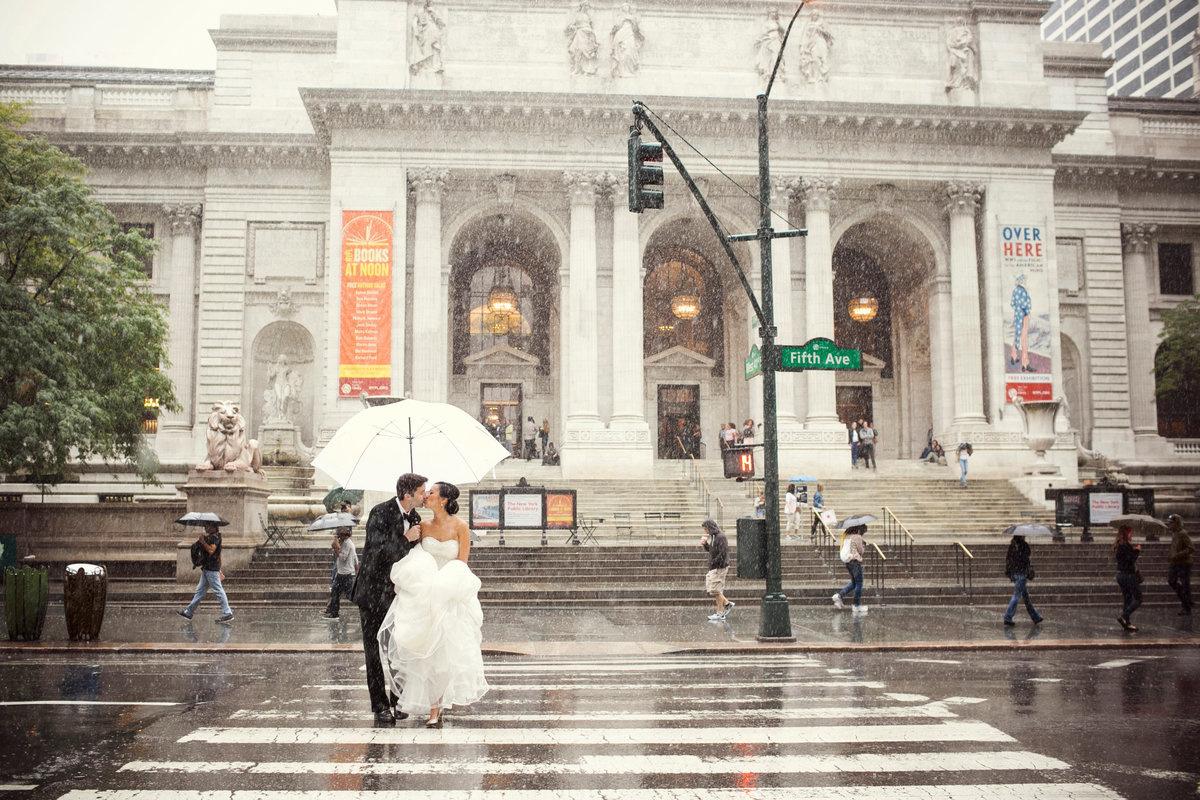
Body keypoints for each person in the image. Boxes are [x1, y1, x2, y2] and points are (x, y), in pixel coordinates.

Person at [378, 482, 489, 727]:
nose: (426, 495)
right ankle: (433, 707)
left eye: (432, 492)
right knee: (426, 654)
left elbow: (462, 563)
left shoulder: (461, 527)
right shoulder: (422, 526)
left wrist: (446, 585)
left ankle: (438, 706)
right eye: (425, 492)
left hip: (450, 594)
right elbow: (414, 558)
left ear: (444, 500)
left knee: (444, 655)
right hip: (425, 594)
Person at [354, 472, 426, 726]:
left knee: (397, 648)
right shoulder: (380, 512)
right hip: (373, 592)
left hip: (398, 594)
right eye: (421, 491)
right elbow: (376, 550)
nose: (424, 495)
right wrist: (405, 539)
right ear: (408, 494)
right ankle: (380, 705)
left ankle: (398, 700)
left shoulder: (415, 517)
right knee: (374, 652)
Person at [178, 522, 234, 624]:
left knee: (218, 590)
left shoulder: (215, 538)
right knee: (200, 591)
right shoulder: (212, 537)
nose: (205, 528)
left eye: (207, 526)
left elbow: (212, 551)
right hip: (208, 568)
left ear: (213, 527)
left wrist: (203, 542)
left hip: (211, 569)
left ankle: (227, 613)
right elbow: (218, 554)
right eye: (205, 526)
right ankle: (189, 612)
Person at [1002, 534, 1043, 626]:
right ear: (1021, 536)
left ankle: (1035, 617)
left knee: (1026, 597)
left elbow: (1008, 560)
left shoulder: (1012, 546)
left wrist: (1009, 573)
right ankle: (1007, 617)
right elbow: (1026, 559)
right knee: (1016, 596)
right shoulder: (1023, 546)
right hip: (1021, 574)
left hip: (1015, 573)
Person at [322, 527, 358, 620]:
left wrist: (336, 548)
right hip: (343, 572)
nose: (338, 537)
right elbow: (355, 558)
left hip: (345, 574)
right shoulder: (346, 543)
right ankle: (334, 613)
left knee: (349, 595)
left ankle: (363, 604)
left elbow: (343, 558)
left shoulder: (347, 544)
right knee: (335, 592)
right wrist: (337, 546)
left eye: (340, 535)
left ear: (344, 535)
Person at [831, 523, 868, 615]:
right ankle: (856, 605)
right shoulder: (857, 537)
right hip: (855, 562)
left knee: (854, 583)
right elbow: (860, 551)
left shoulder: (847, 536)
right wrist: (864, 545)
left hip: (848, 562)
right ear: (860, 530)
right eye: (863, 531)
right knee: (859, 583)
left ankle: (839, 595)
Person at [701, 520, 733, 621]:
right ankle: (725, 606)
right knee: (715, 590)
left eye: (706, 529)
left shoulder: (720, 537)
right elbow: (712, 550)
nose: (705, 531)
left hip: (719, 567)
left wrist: (713, 563)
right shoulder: (714, 537)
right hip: (715, 567)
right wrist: (705, 544)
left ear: (710, 527)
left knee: (716, 590)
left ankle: (722, 610)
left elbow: (723, 553)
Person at [1114, 525, 1142, 632]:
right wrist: (1137, 551)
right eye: (1130, 532)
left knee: (1128, 599)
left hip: (1121, 575)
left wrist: (1133, 549)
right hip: (1128, 576)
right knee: (1138, 598)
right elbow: (1131, 560)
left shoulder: (1120, 544)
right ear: (1126, 533)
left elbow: (1126, 558)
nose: (1132, 534)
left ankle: (1127, 623)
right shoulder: (1124, 545)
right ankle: (1124, 616)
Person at [1167, 514, 1193, 616]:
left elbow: (1191, 548)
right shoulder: (1174, 534)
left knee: (1185, 584)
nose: (1169, 525)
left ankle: (1186, 606)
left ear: (1176, 523)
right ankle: (1187, 600)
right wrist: (1171, 556)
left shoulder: (1183, 533)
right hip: (1175, 562)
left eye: (1171, 523)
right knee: (1171, 581)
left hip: (1184, 563)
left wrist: (1177, 555)